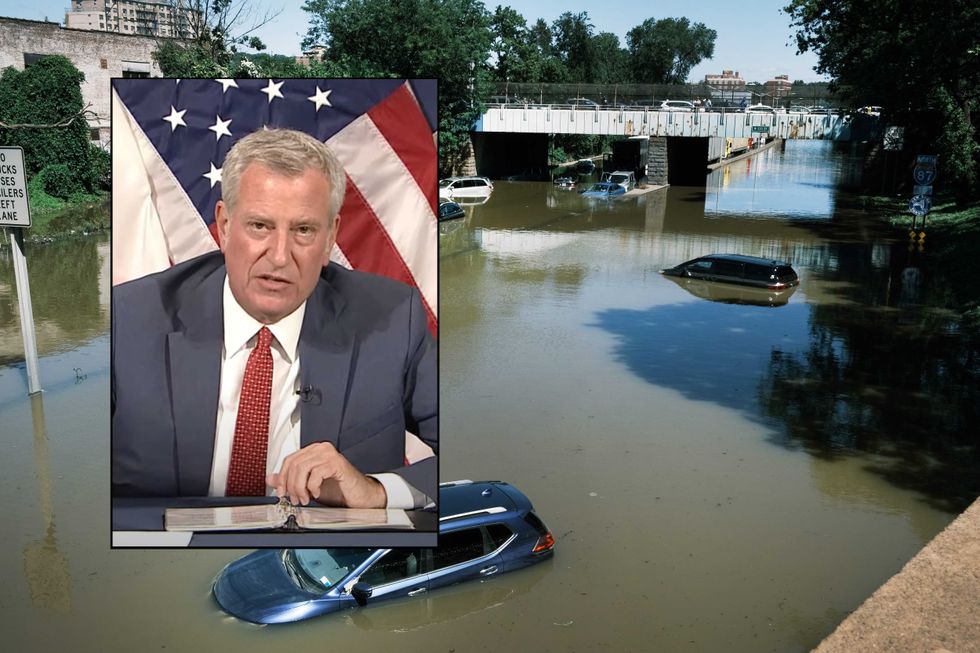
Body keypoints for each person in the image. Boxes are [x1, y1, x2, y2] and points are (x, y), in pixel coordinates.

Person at [111, 128, 437, 510]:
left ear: (330, 236)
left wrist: (376, 491)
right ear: (225, 225)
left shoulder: (394, 318)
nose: (280, 256)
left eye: (303, 230)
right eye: (260, 226)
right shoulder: (129, 320)